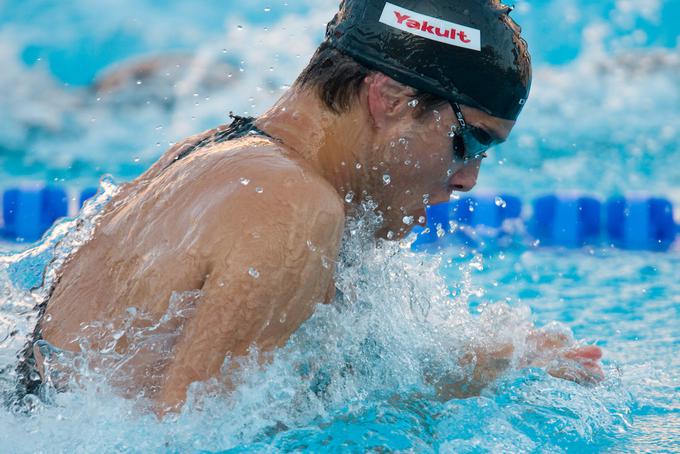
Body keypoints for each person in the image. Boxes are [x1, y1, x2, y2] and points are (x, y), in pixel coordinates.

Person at [17, 0, 603, 413]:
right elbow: (194, 438)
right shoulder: (291, 209)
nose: (469, 177)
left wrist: (490, 365)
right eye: (470, 141)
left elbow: (290, 389)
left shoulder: (223, 156)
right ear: (391, 100)